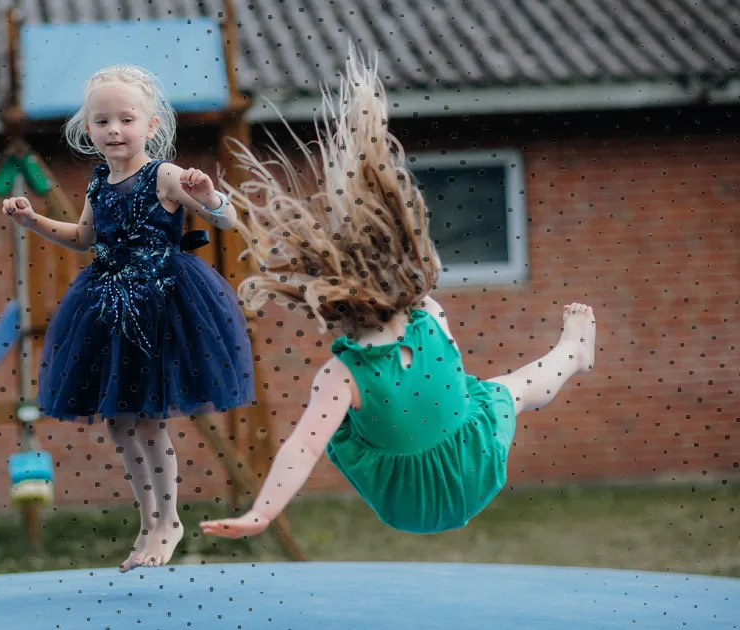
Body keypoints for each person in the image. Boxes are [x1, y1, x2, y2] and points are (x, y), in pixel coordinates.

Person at [200, 58, 596, 540]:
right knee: (511, 390)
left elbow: (303, 447)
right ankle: (571, 353)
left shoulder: (341, 377)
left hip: (406, 500)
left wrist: (261, 514)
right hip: (472, 465)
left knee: (479, 396)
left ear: (330, 303)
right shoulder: (430, 314)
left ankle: (568, 354)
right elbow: (447, 374)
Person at [2, 64, 256, 571]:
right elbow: (83, 238)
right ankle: (147, 521)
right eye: (102, 121)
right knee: (120, 425)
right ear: (87, 128)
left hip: (162, 305)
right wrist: (32, 221)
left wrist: (208, 197)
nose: (114, 130)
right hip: (109, 306)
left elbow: (227, 219)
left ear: (152, 125)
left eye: (126, 119)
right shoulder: (99, 183)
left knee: (147, 419)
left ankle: (170, 520)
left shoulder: (162, 174)